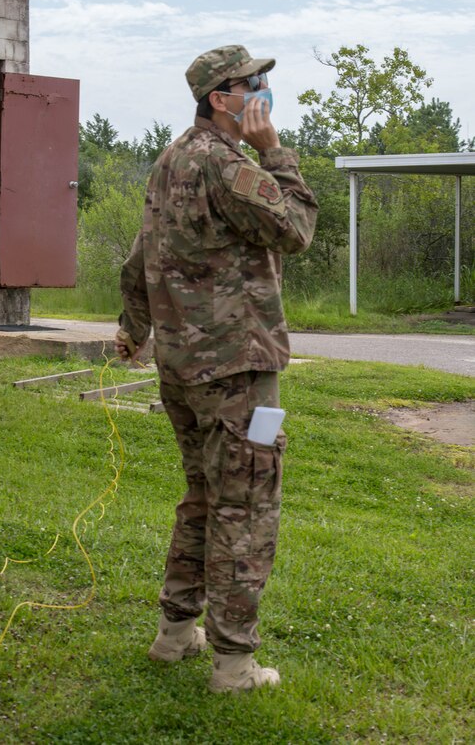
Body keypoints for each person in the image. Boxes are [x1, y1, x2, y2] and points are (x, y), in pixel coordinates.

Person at [116, 45, 318, 693]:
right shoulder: (228, 165)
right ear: (219, 98)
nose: (262, 91)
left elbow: (138, 257)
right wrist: (276, 152)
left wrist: (134, 328)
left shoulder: (171, 159)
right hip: (235, 368)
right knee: (245, 508)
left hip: (180, 368)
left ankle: (175, 633)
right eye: (251, 83)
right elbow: (295, 227)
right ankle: (234, 664)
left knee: (203, 498)